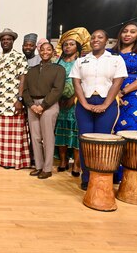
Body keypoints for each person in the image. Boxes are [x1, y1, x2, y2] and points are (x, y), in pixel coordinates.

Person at [70, 29, 127, 190]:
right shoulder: (81, 61)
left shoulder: (115, 59)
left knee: (103, 142)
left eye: (100, 37)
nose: (96, 39)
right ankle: (87, 178)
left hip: (107, 103)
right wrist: (85, 104)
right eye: (93, 37)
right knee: (85, 142)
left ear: (106, 41)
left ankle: (101, 178)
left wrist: (105, 104)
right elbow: (76, 83)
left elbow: (117, 83)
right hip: (84, 103)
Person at [0, 28, 31, 169]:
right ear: (0, 42)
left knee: (14, 134)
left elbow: (23, 77)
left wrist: (19, 98)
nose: (6, 42)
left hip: (13, 101)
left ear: (13, 41)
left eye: (9, 40)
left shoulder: (19, 57)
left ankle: (14, 162)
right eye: (3, 40)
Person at [23, 42, 66, 179]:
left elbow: (57, 89)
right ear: (39, 51)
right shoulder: (32, 70)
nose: (45, 52)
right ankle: (39, 166)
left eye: (48, 49)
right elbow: (25, 90)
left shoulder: (58, 69)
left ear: (53, 52)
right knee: (35, 137)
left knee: (47, 137)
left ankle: (47, 169)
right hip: (32, 106)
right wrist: (31, 105)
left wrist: (43, 105)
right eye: (42, 50)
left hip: (49, 104)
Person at [54, 27, 90, 177]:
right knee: (60, 131)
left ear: (78, 47)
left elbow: (85, 82)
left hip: (76, 102)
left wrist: (73, 97)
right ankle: (63, 161)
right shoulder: (57, 62)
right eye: (65, 44)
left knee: (75, 133)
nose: (68, 47)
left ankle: (76, 164)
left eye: (71, 44)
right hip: (58, 102)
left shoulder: (82, 62)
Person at [109, 22, 137, 132]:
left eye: (132, 32)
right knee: (109, 132)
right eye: (125, 31)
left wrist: (122, 92)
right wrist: (114, 94)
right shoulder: (110, 53)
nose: (127, 34)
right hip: (109, 95)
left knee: (131, 131)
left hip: (134, 96)